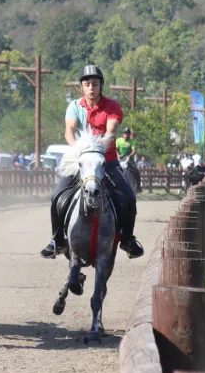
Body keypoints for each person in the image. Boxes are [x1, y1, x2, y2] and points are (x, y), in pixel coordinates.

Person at [40, 65, 142, 259]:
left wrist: (98, 149)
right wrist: (80, 151)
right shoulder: (74, 106)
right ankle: (57, 240)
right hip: (80, 160)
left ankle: (128, 239)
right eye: (87, 84)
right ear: (81, 87)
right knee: (57, 196)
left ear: (101, 85)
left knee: (128, 196)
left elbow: (111, 131)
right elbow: (69, 130)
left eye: (95, 83)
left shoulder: (112, 106)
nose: (91, 88)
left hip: (107, 162)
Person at [116, 127, 141, 192]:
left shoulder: (132, 141)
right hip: (119, 159)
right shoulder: (118, 140)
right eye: (124, 134)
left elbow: (133, 151)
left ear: (129, 135)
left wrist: (129, 156)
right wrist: (118, 154)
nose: (126, 135)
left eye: (127, 134)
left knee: (136, 171)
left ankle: (138, 187)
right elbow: (116, 149)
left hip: (129, 160)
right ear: (122, 134)